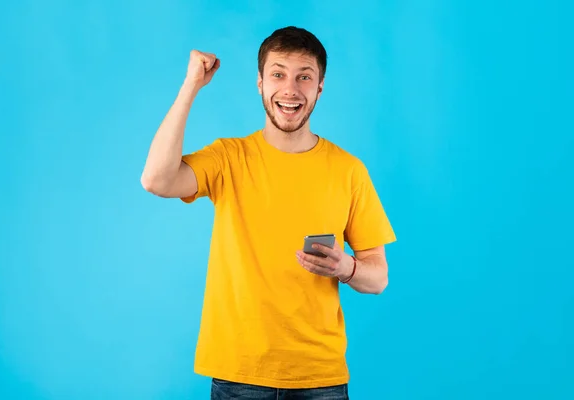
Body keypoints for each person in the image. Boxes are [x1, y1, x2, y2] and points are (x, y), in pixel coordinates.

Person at [141, 26, 396, 400]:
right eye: (278, 74)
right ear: (260, 83)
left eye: (304, 77)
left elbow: (378, 279)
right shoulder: (228, 158)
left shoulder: (349, 171)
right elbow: (156, 180)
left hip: (319, 378)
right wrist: (191, 86)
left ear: (320, 87)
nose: (290, 89)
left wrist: (346, 268)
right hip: (238, 373)